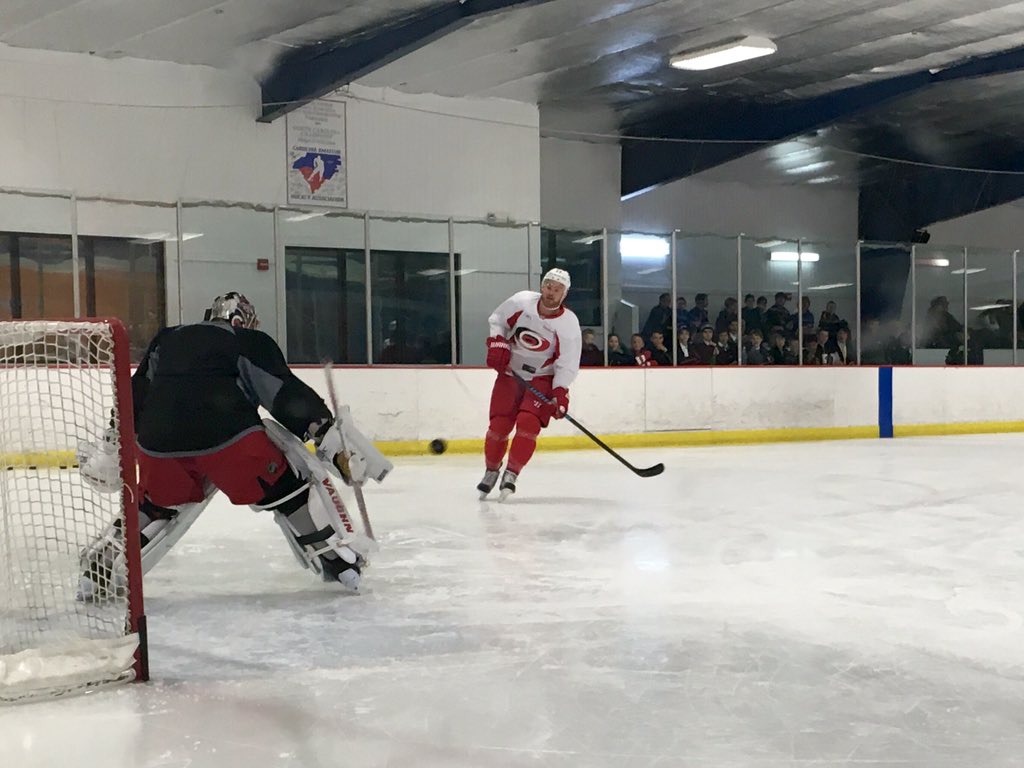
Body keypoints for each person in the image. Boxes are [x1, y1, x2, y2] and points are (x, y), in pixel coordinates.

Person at [78, 292, 391, 598]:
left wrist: (112, 443)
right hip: (229, 440)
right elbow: (284, 394)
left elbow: (135, 395)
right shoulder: (247, 340)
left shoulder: (168, 338)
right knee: (289, 489)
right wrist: (327, 437)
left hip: (157, 444)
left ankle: (100, 566)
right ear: (243, 320)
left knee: (155, 501)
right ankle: (337, 562)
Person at [478, 269, 582, 500]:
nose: (551, 292)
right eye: (548, 286)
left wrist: (560, 391)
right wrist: (498, 342)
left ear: (565, 293)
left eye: (557, 289)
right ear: (541, 286)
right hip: (510, 373)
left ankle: (512, 473)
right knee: (499, 425)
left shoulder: (568, 323)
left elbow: (567, 362)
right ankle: (491, 470)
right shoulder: (521, 301)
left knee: (528, 422)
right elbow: (498, 320)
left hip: (542, 377)